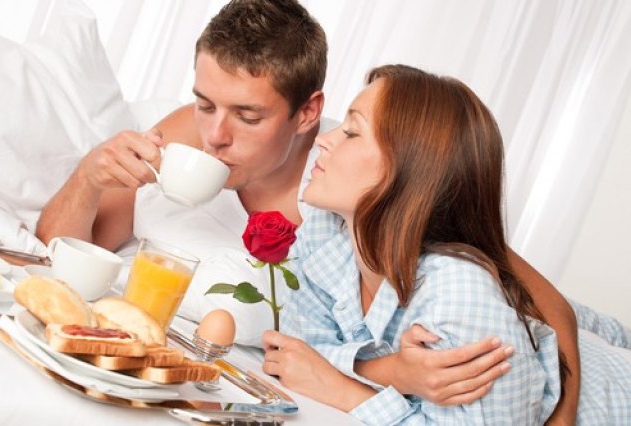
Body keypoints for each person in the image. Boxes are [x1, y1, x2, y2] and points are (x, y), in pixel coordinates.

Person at [36, 0, 582, 417]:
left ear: (307, 113)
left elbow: (551, 310)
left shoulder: (360, 185)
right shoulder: (195, 134)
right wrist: (88, 177)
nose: (215, 136)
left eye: (248, 116)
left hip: (535, 364)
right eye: (205, 103)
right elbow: (65, 250)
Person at [262, 64, 631, 425]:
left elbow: (557, 311)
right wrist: (393, 371)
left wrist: (348, 393)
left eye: (352, 132)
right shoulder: (326, 233)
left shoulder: (460, 293)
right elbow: (297, 354)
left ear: (409, 168)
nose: (323, 139)